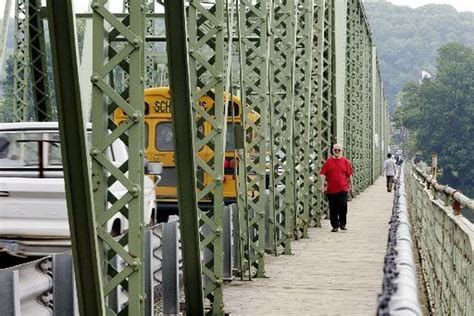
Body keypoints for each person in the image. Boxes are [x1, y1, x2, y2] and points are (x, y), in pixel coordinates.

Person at [320, 144, 353, 232]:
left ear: (342, 151)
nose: (337, 151)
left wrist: (352, 187)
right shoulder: (328, 162)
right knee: (333, 208)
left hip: (343, 188)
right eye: (335, 150)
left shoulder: (346, 162)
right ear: (332, 151)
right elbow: (323, 174)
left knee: (343, 206)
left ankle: (342, 224)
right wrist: (322, 185)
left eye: (339, 150)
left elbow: (350, 175)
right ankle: (335, 225)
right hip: (331, 189)